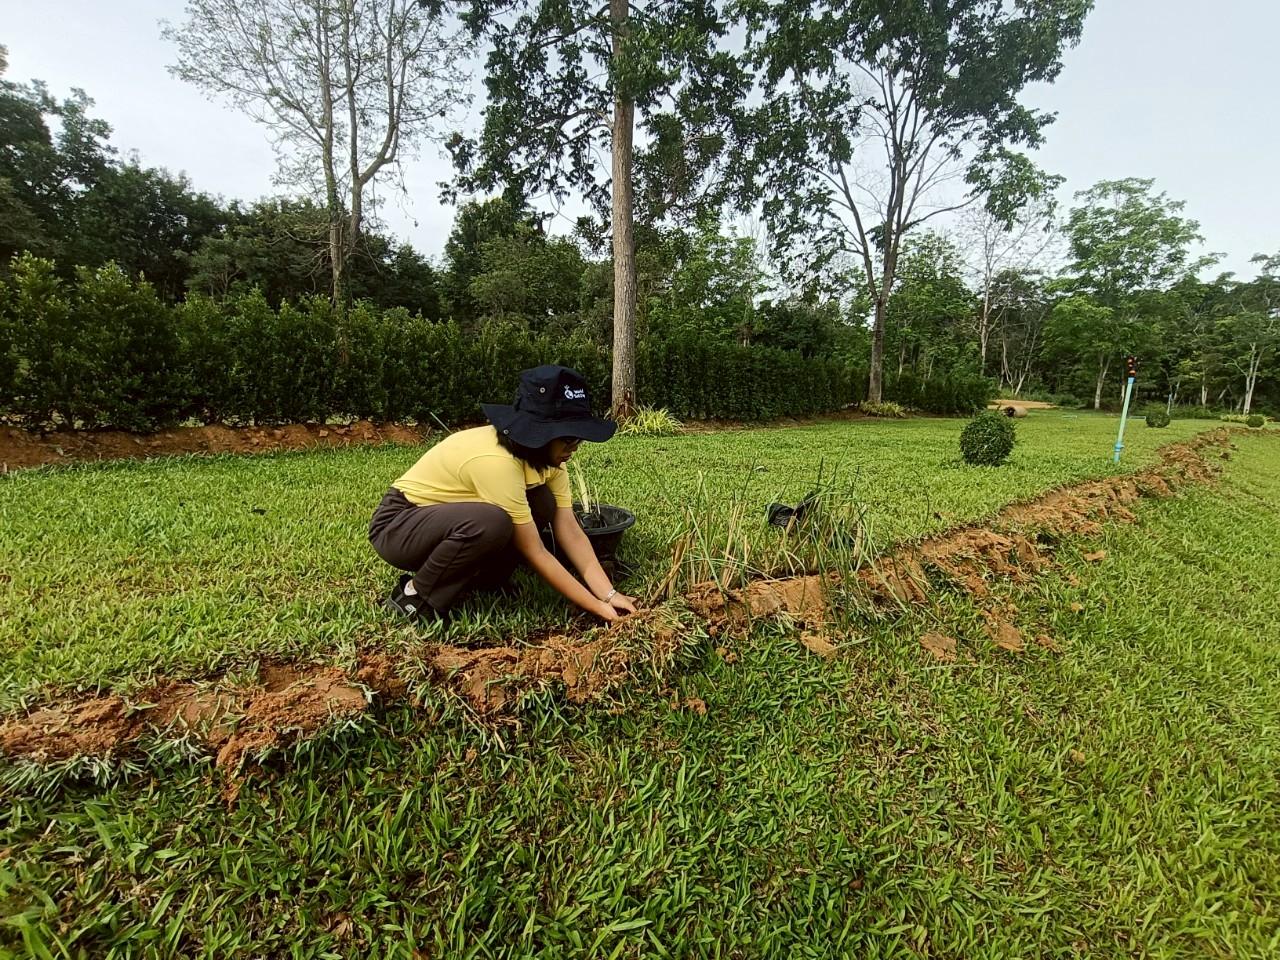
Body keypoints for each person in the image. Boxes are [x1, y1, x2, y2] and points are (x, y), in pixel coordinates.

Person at [368, 365, 638, 624]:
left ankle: (484, 581)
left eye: (579, 438)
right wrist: (597, 607)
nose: (575, 447)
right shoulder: (497, 462)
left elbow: (570, 530)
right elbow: (535, 551)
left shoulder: (550, 461)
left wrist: (609, 594)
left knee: (543, 502)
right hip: (398, 525)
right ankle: (417, 596)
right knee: (490, 522)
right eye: (569, 438)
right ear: (540, 434)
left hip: (451, 519)